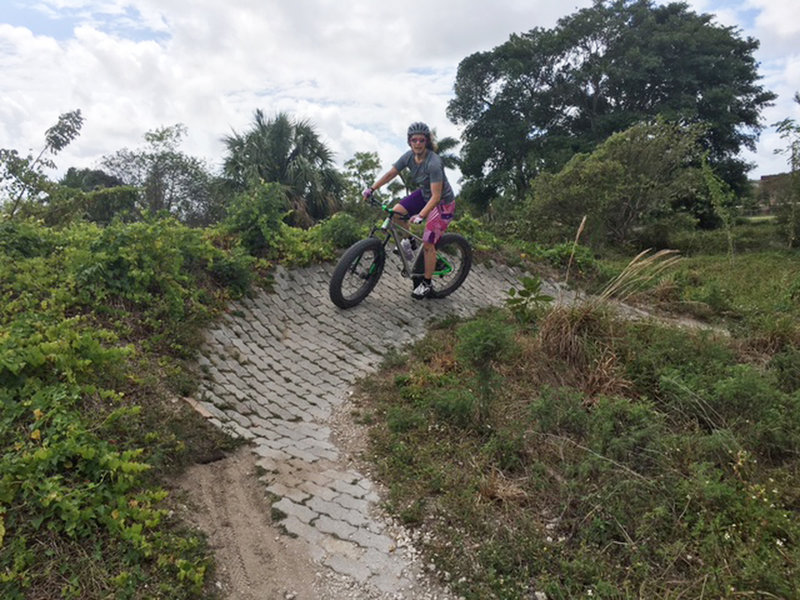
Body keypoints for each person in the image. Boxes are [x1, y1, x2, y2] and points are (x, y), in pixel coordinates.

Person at [362, 122, 456, 299]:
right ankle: (410, 242)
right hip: (425, 195)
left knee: (428, 242)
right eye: (414, 140)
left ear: (426, 141)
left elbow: (436, 196)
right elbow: (391, 174)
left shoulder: (434, 163)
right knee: (396, 212)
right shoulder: (408, 157)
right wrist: (372, 188)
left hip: (442, 203)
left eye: (421, 140)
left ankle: (426, 284)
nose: (418, 143)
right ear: (409, 142)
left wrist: (421, 215)